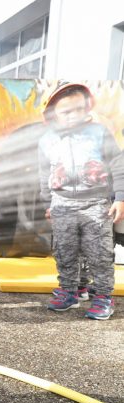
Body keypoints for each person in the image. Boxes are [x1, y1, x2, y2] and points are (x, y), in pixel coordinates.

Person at [38, 81, 124, 320]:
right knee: (64, 251)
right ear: (52, 113)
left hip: (96, 203)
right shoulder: (46, 140)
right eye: (66, 111)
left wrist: (120, 198)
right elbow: (44, 173)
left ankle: (104, 297)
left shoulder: (99, 132)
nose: (73, 115)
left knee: (99, 253)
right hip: (61, 204)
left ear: (87, 109)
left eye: (78, 109)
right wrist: (47, 203)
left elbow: (119, 164)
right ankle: (69, 291)